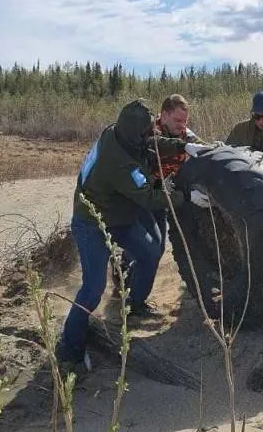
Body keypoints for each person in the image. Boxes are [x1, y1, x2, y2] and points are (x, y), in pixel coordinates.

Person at [56, 98, 201, 376]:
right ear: (136, 132)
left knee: (149, 253)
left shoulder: (120, 132)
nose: (152, 134)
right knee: (93, 287)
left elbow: (152, 143)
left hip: (119, 215)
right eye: (147, 131)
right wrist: (185, 197)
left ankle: (134, 304)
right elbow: (148, 196)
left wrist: (185, 146)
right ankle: (69, 351)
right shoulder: (119, 162)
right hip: (93, 223)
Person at [110, 93, 206, 296]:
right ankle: (126, 282)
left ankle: (128, 279)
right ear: (164, 115)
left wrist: (214, 150)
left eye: (185, 121)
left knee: (158, 246)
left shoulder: (184, 134)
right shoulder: (147, 132)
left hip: (161, 195)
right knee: (149, 247)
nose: (182, 125)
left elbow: (200, 146)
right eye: (178, 120)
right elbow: (154, 143)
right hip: (140, 195)